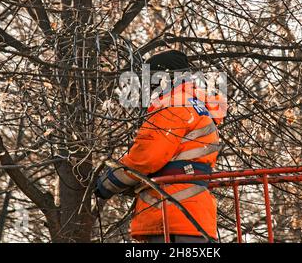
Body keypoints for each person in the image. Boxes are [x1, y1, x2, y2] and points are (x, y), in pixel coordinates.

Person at [94, 50, 226, 243]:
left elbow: (146, 157)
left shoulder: (173, 107)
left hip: (173, 212)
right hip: (191, 214)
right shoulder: (195, 105)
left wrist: (109, 181)